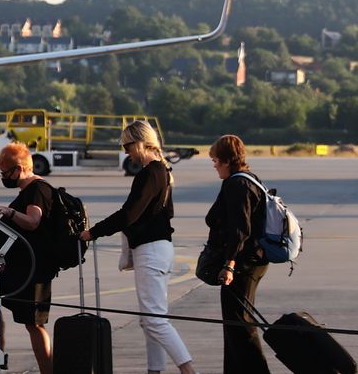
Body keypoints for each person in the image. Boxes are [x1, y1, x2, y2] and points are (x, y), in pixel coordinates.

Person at [80, 121, 198, 374]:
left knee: (155, 321)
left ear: (141, 143)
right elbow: (166, 213)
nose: (126, 153)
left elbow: (129, 214)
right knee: (150, 320)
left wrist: (93, 232)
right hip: (160, 249)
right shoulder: (163, 171)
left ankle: (189, 370)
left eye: (127, 146)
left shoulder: (149, 173)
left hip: (151, 251)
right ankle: (154, 370)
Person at [204, 134, 270, 373]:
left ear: (225, 160)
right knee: (234, 323)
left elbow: (240, 230)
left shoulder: (237, 184)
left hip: (243, 263)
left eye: (215, 161)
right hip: (251, 260)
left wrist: (229, 264)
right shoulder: (249, 179)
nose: (214, 166)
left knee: (241, 324)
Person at [0, 141, 54, 374]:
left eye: (6, 173)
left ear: (19, 169)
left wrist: (10, 212)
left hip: (32, 270)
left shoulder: (37, 190)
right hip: (19, 267)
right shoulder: (27, 192)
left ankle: (48, 370)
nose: (4, 177)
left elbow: (33, 222)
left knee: (35, 324)